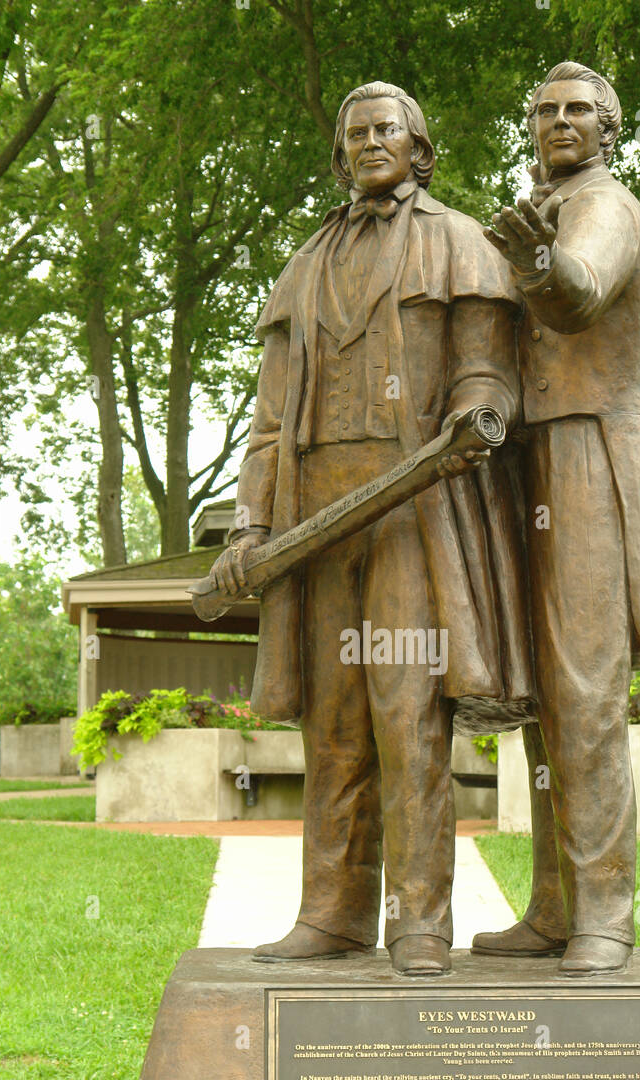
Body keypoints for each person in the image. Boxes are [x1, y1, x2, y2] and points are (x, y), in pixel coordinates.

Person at [212, 81, 533, 976]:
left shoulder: (460, 242)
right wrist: (249, 525)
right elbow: (268, 422)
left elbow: (488, 372)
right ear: (341, 154)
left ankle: (419, 922)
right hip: (315, 519)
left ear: (419, 149)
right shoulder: (304, 266)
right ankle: (333, 914)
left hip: (411, 510)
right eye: (355, 134)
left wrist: (476, 415)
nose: (369, 142)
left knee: (408, 715)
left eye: (386, 129)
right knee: (334, 724)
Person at [474, 61, 640, 975]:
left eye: (579, 110)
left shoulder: (605, 207)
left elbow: (580, 293)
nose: (560, 121)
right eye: (545, 109)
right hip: (525, 455)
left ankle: (604, 915)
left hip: (587, 446)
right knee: (542, 696)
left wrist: (539, 264)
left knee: (586, 690)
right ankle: (555, 908)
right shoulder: (538, 211)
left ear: (607, 129)